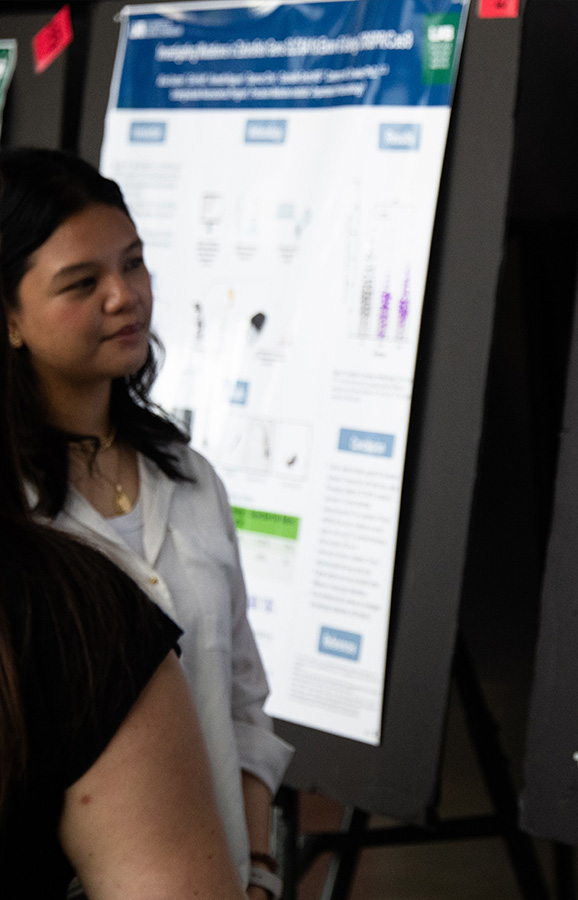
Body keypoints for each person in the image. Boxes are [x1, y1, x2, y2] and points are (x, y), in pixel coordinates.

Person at [0, 147, 292, 899]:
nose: (124, 297)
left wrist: (258, 869)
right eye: (82, 283)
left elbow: (242, 700)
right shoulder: (16, 534)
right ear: (10, 319)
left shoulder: (188, 479)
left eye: (133, 264)